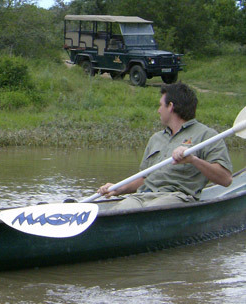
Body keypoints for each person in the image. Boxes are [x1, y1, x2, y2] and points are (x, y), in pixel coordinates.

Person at [97, 82, 232, 210]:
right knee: (120, 210)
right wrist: (119, 189)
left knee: (149, 212)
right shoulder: (156, 138)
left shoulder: (207, 136)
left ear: (171, 106)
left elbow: (225, 179)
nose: (158, 110)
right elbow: (145, 178)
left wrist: (193, 160)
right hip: (142, 197)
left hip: (175, 197)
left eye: (161, 105)